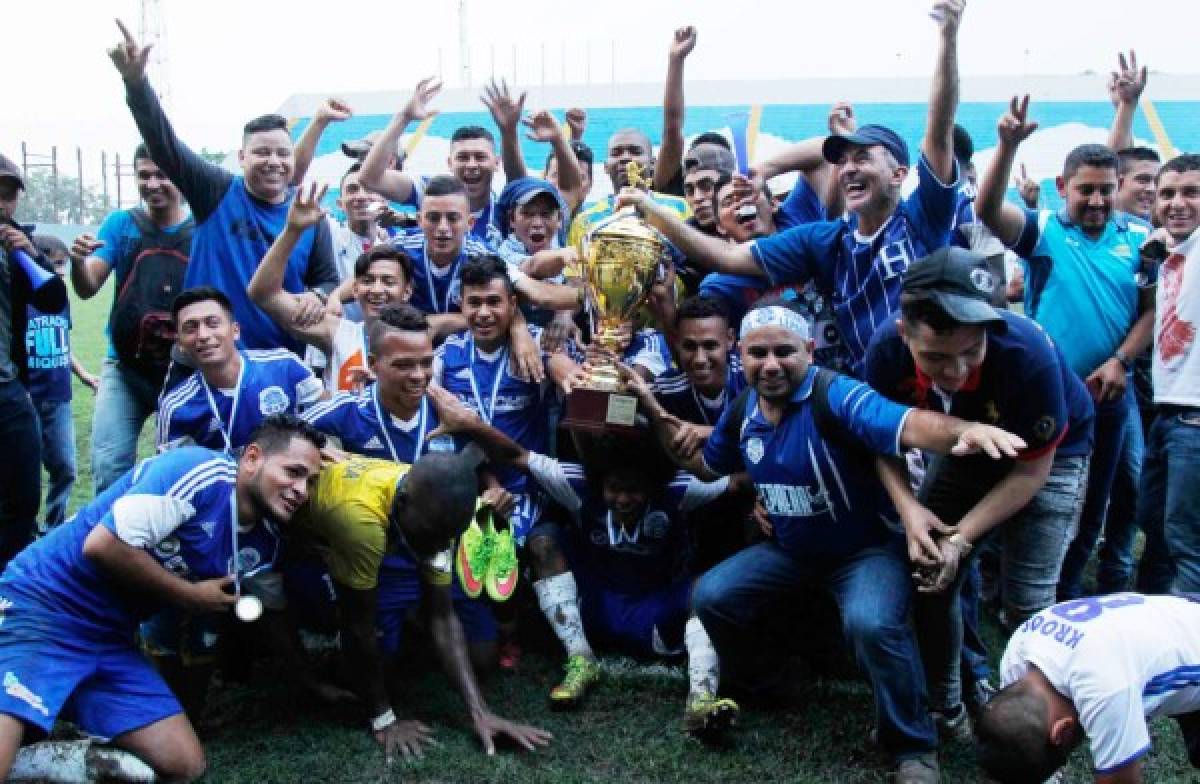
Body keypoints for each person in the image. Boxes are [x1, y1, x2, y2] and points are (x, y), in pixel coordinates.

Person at [660, 297, 1026, 783]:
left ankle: (914, 747)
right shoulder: (744, 408)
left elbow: (904, 422)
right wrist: (663, 430)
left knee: (871, 623)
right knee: (712, 595)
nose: (771, 365)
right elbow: (713, 464)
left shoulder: (835, 394)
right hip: (791, 552)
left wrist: (967, 429)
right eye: (758, 353)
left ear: (809, 351)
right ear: (740, 357)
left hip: (864, 552)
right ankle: (774, 682)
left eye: (784, 352)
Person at [617, 0, 967, 377]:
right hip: (864, 400)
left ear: (899, 174)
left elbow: (939, 128)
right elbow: (729, 258)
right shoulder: (827, 240)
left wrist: (947, 37)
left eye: (862, 158)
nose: (848, 168)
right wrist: (651, 210)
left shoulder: (922, 219)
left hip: (928, 387)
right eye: (844, 161)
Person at [0, 415, 326, 782]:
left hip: (110, 638)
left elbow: (271, 612)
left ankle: (45, 756)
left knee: (185, 765)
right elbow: (102, 546)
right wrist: (189, 595)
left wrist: (309, 681)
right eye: (293, 472)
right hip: (44, 609)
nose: (301, 490)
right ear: (252, 458)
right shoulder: (199, 473)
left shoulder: (267, 539)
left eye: (310, 482)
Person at [864, 247, 1095, 736]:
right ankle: (947, 707)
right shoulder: (885, 351)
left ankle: (1040, 736)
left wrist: (960, 538)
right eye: (936, 357)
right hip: (966, 451)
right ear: (904, 333)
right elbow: (880, 440)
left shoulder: (1026, 353)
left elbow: (1031, 475)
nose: (957, 371)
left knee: (1029, 605)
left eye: (973, 351)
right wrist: (911, 513)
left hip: (1050, 456)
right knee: (929, 573)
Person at [973, 97, 1155, 603]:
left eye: (1106, 189)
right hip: (1048, 396)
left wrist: (1121, 360)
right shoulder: (1044, 231)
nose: (1096, 201)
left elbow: (1149, 310)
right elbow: (986, 211)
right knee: (1033, 494)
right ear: (1062, 189)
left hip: (1110, 395)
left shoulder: (1140, 237)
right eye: (1086, 190)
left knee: (1094, 503)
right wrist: (1007, 147)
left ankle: (1069, 595)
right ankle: (1007, 586)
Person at [289, 448, 552, 761]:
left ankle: (404, 630)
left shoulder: (439, 513)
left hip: (389, 536)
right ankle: (335, 656)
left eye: (448, 538)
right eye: (434, 537)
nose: (440, 548)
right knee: (366, 657)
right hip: (305, 548)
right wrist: (384, 719)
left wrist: (480, 712)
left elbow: (443, 615)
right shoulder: (361, 521)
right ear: (402, 505)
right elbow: (358, 624)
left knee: (481, 656)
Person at [109, 21, 337, 354]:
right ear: (242, 157)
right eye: (261, 152)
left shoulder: (307, 214)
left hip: (278, 363)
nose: (273, 161)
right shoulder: (215, 191)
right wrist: (136, 82)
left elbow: (327, 278)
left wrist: (316, 296)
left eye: (282, 153)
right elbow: (164, 144)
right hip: (203, 358)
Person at [68, 144, 193, 493]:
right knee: (108, 467)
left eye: (161, 175)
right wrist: (78, 261)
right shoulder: (121, 225)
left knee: (179, 469)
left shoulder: (201, 227)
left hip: (184, 371)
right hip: (125, 369)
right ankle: (105, 543)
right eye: (144, 175)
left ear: (180, 177)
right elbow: (88, 285)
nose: (152, 184)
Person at [976, 593, 1200, 783]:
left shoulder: (1106, 691)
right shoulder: (1018, 653)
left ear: (1061, 731)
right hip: (1177, 617)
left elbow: (1120, 780)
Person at [249, 183, 413, 394]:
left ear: (407, 291)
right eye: (368, 281)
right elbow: (263, 294)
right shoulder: (337, 333)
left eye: (388, 282)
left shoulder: (422, 336)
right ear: (354, 290)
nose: (376, 289)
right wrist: (293, 230)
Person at [1135, 154, 1200, 594]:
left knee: (1187, 547)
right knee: (1155, 532)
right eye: (1168, 194)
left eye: (1192, 192)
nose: (1177, 203)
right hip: (1168, 417)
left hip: (1194, 421)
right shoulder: (1173, 255)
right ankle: (1156, 640)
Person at [156, 288, 324, 452]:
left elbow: (330, 415)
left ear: (235, 331)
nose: (203, 335)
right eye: (191, 328)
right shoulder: (177, 407)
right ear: (180, 345)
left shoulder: (285, 366)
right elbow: (173, 472)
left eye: (212, 323)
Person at [301, 304, 458, 462]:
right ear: (372, 364)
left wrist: (475, 427)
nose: (418, 375)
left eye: (426, 363)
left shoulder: (448, 411)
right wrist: (318, 445)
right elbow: (284, 433)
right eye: (404, 365)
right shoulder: (351, 410)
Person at [0, 154, 57, 567]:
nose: (2, 206)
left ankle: (14, 588)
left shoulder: (15, 241)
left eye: (8, 198)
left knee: (22, 491)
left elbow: (54, 301)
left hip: (7, 384)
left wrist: (32, 256)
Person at [26, 236, 99, 529]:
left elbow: (60, 341)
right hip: (26, 398)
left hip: (59, 397)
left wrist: (83, 375)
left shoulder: (60, 298)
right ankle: (23, 529)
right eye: (55, 264)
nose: (60, 271)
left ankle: (53, 526)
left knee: (66, 468)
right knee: (24, 470)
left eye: (63, 264)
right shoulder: (18, 299)